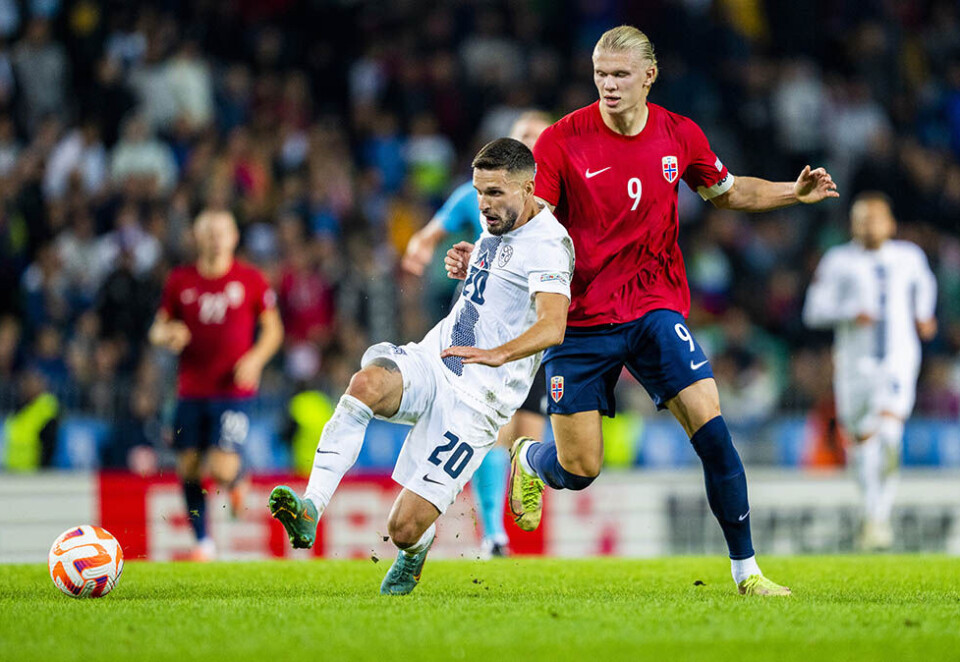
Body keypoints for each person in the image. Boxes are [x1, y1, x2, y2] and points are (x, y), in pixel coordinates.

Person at [446, 25, 838, 596]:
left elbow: (726, 191)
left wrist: (790, 192)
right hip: (578, 322)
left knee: (713, 431)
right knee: (579, 469)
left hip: (655, 308)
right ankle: (531, 460)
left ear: (648, 77)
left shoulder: (680, 134)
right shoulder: (561, 141)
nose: (608, 84)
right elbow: (529, 223)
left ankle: (747, 572)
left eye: (620, 74)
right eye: (600, 74)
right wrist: (478, 255)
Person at [269, 138, 573, 595]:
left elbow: (553, 326)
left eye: (494, 193)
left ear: (528, 188)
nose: (484, 205)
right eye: (478, 192)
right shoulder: (499, 224)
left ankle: (415, 552)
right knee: (367, 381)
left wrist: (497, 353)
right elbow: (504, 281)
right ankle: (311, 507)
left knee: (404, 528)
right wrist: (473, 264)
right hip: (436, 359)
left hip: (478, 404)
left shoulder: (550, 244)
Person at [401, 110, 553, 558]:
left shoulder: (557, 203)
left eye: (537, 137)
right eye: (523, 135)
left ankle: (496, 525)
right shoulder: (481, 195)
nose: (530, 141)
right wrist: (422, 244)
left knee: (528, 437)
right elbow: (433, 231)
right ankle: (494, 534)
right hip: (487, 330)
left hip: (536, 337)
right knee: (498, 431)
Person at [803, 192, 936, 551]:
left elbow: (925, 284)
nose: (869, 224)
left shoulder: (909, 257)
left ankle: (880, 517)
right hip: (853, 366)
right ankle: (871, 514)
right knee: (861, 442)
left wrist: (924, 312)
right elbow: (813, 310)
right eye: (862, 218)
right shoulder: (838, 260)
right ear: (852, 224)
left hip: (897, 360)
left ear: (890, 223)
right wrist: (849, 311)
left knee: (890, 430)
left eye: (875, 218)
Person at [149, 209, 284, 560]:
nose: (215, 237)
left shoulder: (251, 279)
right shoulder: (180, 281)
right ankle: (202, 543)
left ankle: (238, 480)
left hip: (233, 391)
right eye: (208, 230)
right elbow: (156, 329)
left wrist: (254, 359)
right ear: (196, 236)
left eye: (221, 230)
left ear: (234, 237)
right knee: (189, 468)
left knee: (221, 467)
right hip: (190, 390)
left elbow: (273, 329)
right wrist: (169, 333)